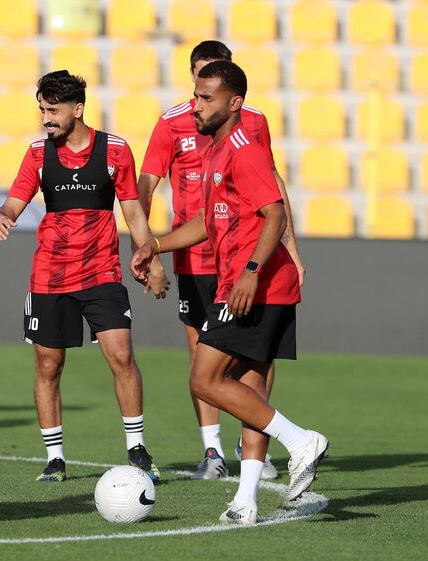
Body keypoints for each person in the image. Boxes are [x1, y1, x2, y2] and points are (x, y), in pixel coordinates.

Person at [131, 61, 329, 525]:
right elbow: (208, 222)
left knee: (203, 379)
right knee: (249, 390)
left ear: (234, 102)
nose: (197, 106)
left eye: (207, 98)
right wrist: (154, 244)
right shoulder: (215, 153)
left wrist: (252, 272)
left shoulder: (244, 148)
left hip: (254, 286)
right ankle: (245, 501)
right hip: (249, 284)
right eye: (196, 96)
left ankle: (302, 441)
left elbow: (274, 213)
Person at [0, 70, 168, 483]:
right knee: (48, 366)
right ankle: (55, 458)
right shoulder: (37, 153)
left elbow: (133, 212)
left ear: (78, 109)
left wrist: (151, 257)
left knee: (122, 356)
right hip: (49, 276)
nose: (45, 118)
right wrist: (3, 215)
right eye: (42, 110)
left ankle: (137, 450)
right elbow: (14, 203)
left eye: (52, 110)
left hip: (101, 272)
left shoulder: (116, 150)